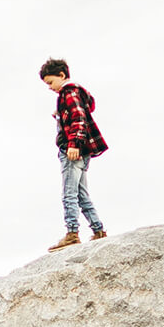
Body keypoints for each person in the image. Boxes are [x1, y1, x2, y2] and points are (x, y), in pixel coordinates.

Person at [39, 57, 108, 252]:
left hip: (73, 150)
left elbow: (78, 118)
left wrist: (74, 143)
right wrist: (60, 113)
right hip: (82, 151)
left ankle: (72, 233)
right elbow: (83, 110)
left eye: (51, 82)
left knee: (69, 193)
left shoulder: (69, 93)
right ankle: (98, 229)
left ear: (62, 75)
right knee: (81, 194)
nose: (50, 87)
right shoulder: (76, 94)